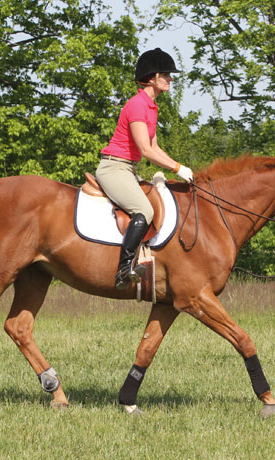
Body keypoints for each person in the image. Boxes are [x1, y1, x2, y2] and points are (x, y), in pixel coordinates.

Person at [97, 48, 194, 290]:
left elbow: (154, 146)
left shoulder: (151, 106)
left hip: (128, 169)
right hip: (113, 168)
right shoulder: (137, 105)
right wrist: (177, 168)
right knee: (144, 210)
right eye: (166, 75)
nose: (170, 79)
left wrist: (181, 167)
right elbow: (146, 149)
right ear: (152, 78)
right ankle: (123, 270)